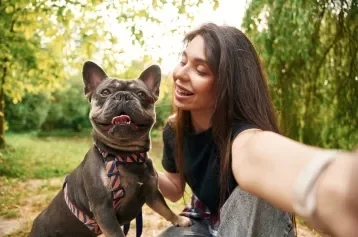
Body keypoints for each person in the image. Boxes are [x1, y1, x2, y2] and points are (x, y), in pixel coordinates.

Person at [155, 23, 358, 237]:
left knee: (255, 189)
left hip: (249, 229)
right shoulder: (173, 130)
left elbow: (257, 155)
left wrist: (337, 185)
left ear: (227, 84)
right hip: (203, 223)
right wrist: (137, 163)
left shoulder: (243, 137)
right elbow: (175, 190)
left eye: (200, 70)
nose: (180, 74)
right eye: (183, 61)